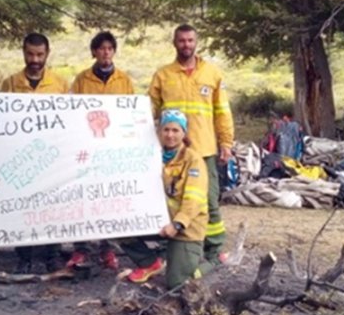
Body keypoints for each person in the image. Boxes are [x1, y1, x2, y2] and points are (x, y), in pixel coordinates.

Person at [148, 24, 234, 264]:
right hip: (172, 153)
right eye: (181, 40)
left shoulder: (213, 74)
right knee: (172, 199)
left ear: (196, 42)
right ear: (174, 43)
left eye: (190, 40)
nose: (186, 44)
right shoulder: (163, 75)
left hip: (204, 149)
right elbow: (147, 112)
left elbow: (222, 112)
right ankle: (177, 246)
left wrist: (226, 143)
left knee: (209, 202)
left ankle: (214, 250)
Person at [0, 33, 68, 273]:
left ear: (47, 54)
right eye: (30, 54)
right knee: (23, 206)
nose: (35, 59)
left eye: (40, 54)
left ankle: (52, 254)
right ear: (23, 53)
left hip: (51, 155)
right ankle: (24, 257)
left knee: (53, 204)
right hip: (22, 156)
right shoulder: (10, 84)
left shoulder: (60, 84)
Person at [67, 31, 135, 270]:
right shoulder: (82, 80)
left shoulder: (124, 80)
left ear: (114, 51)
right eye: (101, 48)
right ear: (94, 52)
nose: (105, 52)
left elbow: (130, 114)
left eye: (110, 48)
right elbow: (72, 112)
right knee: (84, 195)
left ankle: (107, 247)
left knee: (108, 198)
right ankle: (81, 248)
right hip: (86, 149)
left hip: (112, 151)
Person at [121, 110, 212, 288]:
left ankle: (209, 264)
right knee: (118, 228)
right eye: (166, 129)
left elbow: (193, 200)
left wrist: (177, 224)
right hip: (156, 222)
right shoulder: (149, 156)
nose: (170, 135)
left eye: (175, 130)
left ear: (184, 133)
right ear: (159, 131)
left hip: (186, 229)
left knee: (176, 285)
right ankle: (149, 263)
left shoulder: (193, 160)